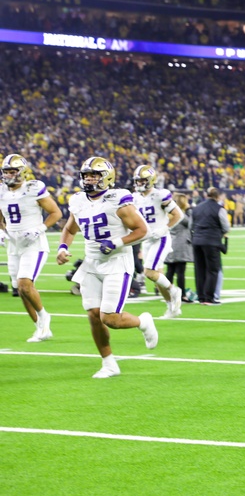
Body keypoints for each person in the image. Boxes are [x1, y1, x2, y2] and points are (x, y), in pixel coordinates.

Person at [55, 157, 158, 378]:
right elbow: (70, 229)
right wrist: (62, 247)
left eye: (95, 175)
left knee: (110, 318)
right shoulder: (78, 200)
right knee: (93, 314)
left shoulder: (118, 199)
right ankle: (109, 363)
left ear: (107, 177)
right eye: (86, 175)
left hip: (117, 263)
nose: (89, 179)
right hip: (91, 263)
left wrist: (117, 242)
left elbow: (143, 230)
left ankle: (143, 322)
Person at [1, 153, 62, 342]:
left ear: (22, 172)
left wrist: (40, 228)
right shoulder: (2, 191)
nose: (9, 175)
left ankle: (44, 317)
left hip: (33, 245)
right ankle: (39, 327)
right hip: (14, 245)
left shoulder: (34, 188)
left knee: (25, 284)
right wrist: (1, 231)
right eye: (6, 171)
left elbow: (55, 212)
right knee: (20, 289)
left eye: (13, 171)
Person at [132, 165, 184, 318]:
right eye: (138, 180)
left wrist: (165, 228)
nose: (139, 183)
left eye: (142, 180)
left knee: (149, 272)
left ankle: (175, 291)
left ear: (151, 180)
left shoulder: (160, 195)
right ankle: (172, 308)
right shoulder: (135, 197)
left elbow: (178, 215)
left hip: (160, 238)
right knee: (157, 278)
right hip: (147, 240)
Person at [190, 187, 231, 305]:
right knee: (212, 270)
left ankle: (201, 296)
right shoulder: (219, 209)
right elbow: (226, 227)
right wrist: (219, 234)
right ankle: (209, 297)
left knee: (199, 269)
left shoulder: (196, 208)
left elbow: (191, 226)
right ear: (217, 197)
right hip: (212, 241)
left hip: (197, 241)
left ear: (206, 195)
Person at [164, 193, 194, 303]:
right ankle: (183, 295)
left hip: (170, 243)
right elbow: (191, 224)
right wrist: (189, 210)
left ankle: (167, 294)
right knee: (180, 272)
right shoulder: (181, 215)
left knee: (170, 271)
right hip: (180, 245)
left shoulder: (168, 214)